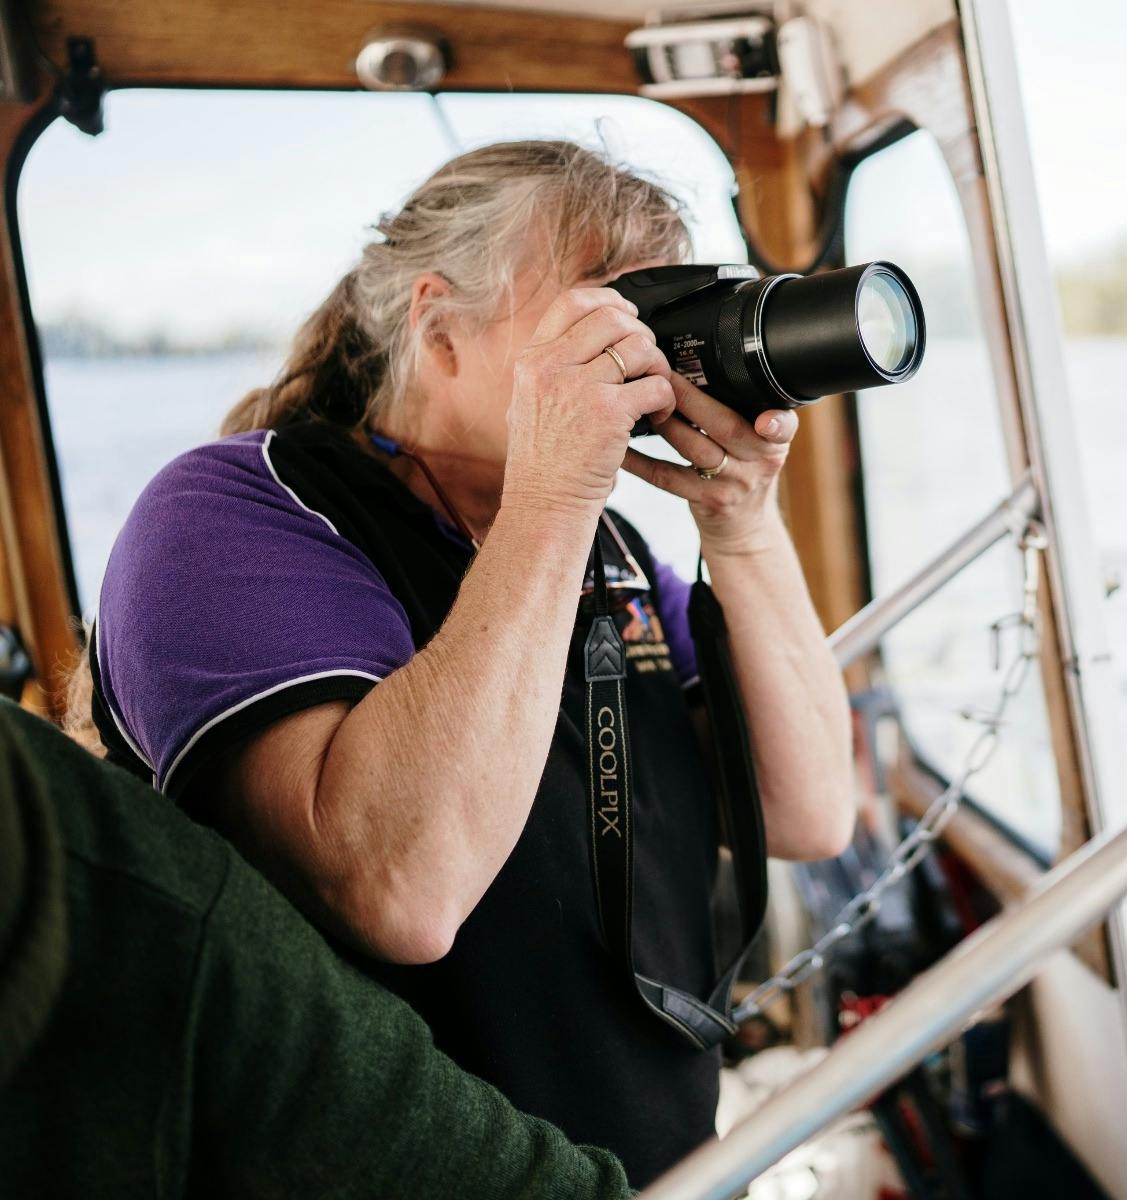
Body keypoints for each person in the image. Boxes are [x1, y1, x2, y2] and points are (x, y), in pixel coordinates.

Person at [72, 140, 855, 1184]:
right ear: (440, 328)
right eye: (605, 307)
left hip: (645, 1170)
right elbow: (399, 891)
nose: (648, 352)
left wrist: (742, 523)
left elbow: (806, 813)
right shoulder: (233, 513)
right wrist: (554, 495)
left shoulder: (608, 553)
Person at [0, 698, 632, 1199]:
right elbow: (405, 895)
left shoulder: (628, 565)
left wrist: (737, 550)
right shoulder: (204, 549)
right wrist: (550, 524)